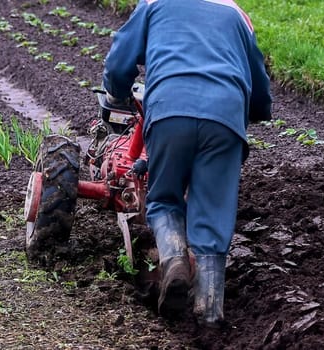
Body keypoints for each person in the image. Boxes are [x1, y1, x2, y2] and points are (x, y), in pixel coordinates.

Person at [102, 0, 272, 328]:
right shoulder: (235, 13)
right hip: (225, 116)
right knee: (212, 210)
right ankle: (209, 310)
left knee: (164, 198)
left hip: (170, 109)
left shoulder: (153, 4)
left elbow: (122, 54)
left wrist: (116, 91)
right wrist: (257, 110)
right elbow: (259, 82)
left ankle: (175, 260)